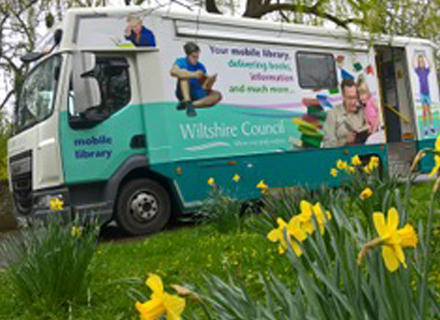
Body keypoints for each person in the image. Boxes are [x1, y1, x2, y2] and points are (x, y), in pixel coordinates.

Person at [170, 42, 222, 117]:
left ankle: (190, 105)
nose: (195, 59)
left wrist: (209, 81)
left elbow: (204, 87)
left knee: (217, 95)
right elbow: (173, 72)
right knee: (183, 75)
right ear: (187, 55)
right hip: (183, 91)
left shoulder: (200, 66)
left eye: (197, 57)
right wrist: (194, 75)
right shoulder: (180, 62)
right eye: (193, 57)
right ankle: (187, 101)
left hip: (196, 92)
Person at [323, 78, 369, 147]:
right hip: (341, 155)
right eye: (350, 98)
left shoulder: (361, 111)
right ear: (343, 96)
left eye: (355, 98)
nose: (353, 102)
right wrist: (345, 141)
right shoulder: (333, 114)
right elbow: (327, 144)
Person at [414, 54, 434, 135]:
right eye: (419, 62)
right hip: (422, 93)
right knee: (424, 111)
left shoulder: (426, 70)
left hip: (427, 92)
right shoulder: (418, 71)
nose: (421, 63)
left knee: (429, 110)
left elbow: (431, 65)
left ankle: (431, 126)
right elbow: (412, 65)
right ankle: (425, 127)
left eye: (422, 61)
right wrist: (414, 57)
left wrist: (426, 57)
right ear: (418, 63)